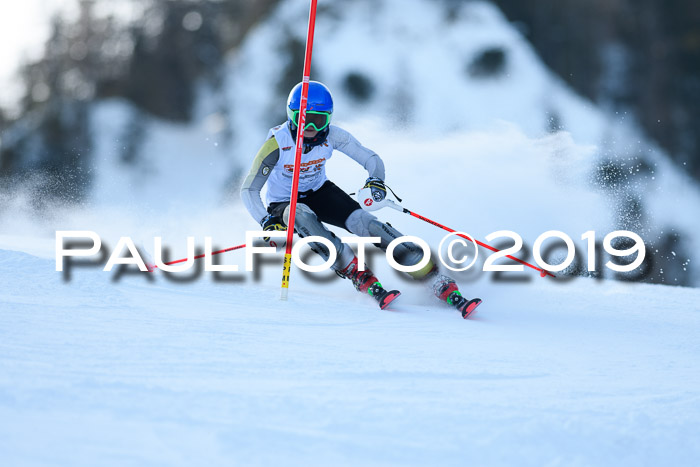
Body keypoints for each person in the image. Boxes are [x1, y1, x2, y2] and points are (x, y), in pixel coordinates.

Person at [240, 81, 481, 318]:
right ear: (292, 117)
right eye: (304, 120)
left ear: (329, 119)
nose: (310, 127)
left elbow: (371, 159)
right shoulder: (277, 143)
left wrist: (375, 180)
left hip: (320, 191)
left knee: (368, 224)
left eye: (319, 120)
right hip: (284, 202)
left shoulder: (333, 136)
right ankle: (356, 272)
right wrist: (266, 221)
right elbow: (249, 190)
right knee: (302, 214)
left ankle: (431, 276)